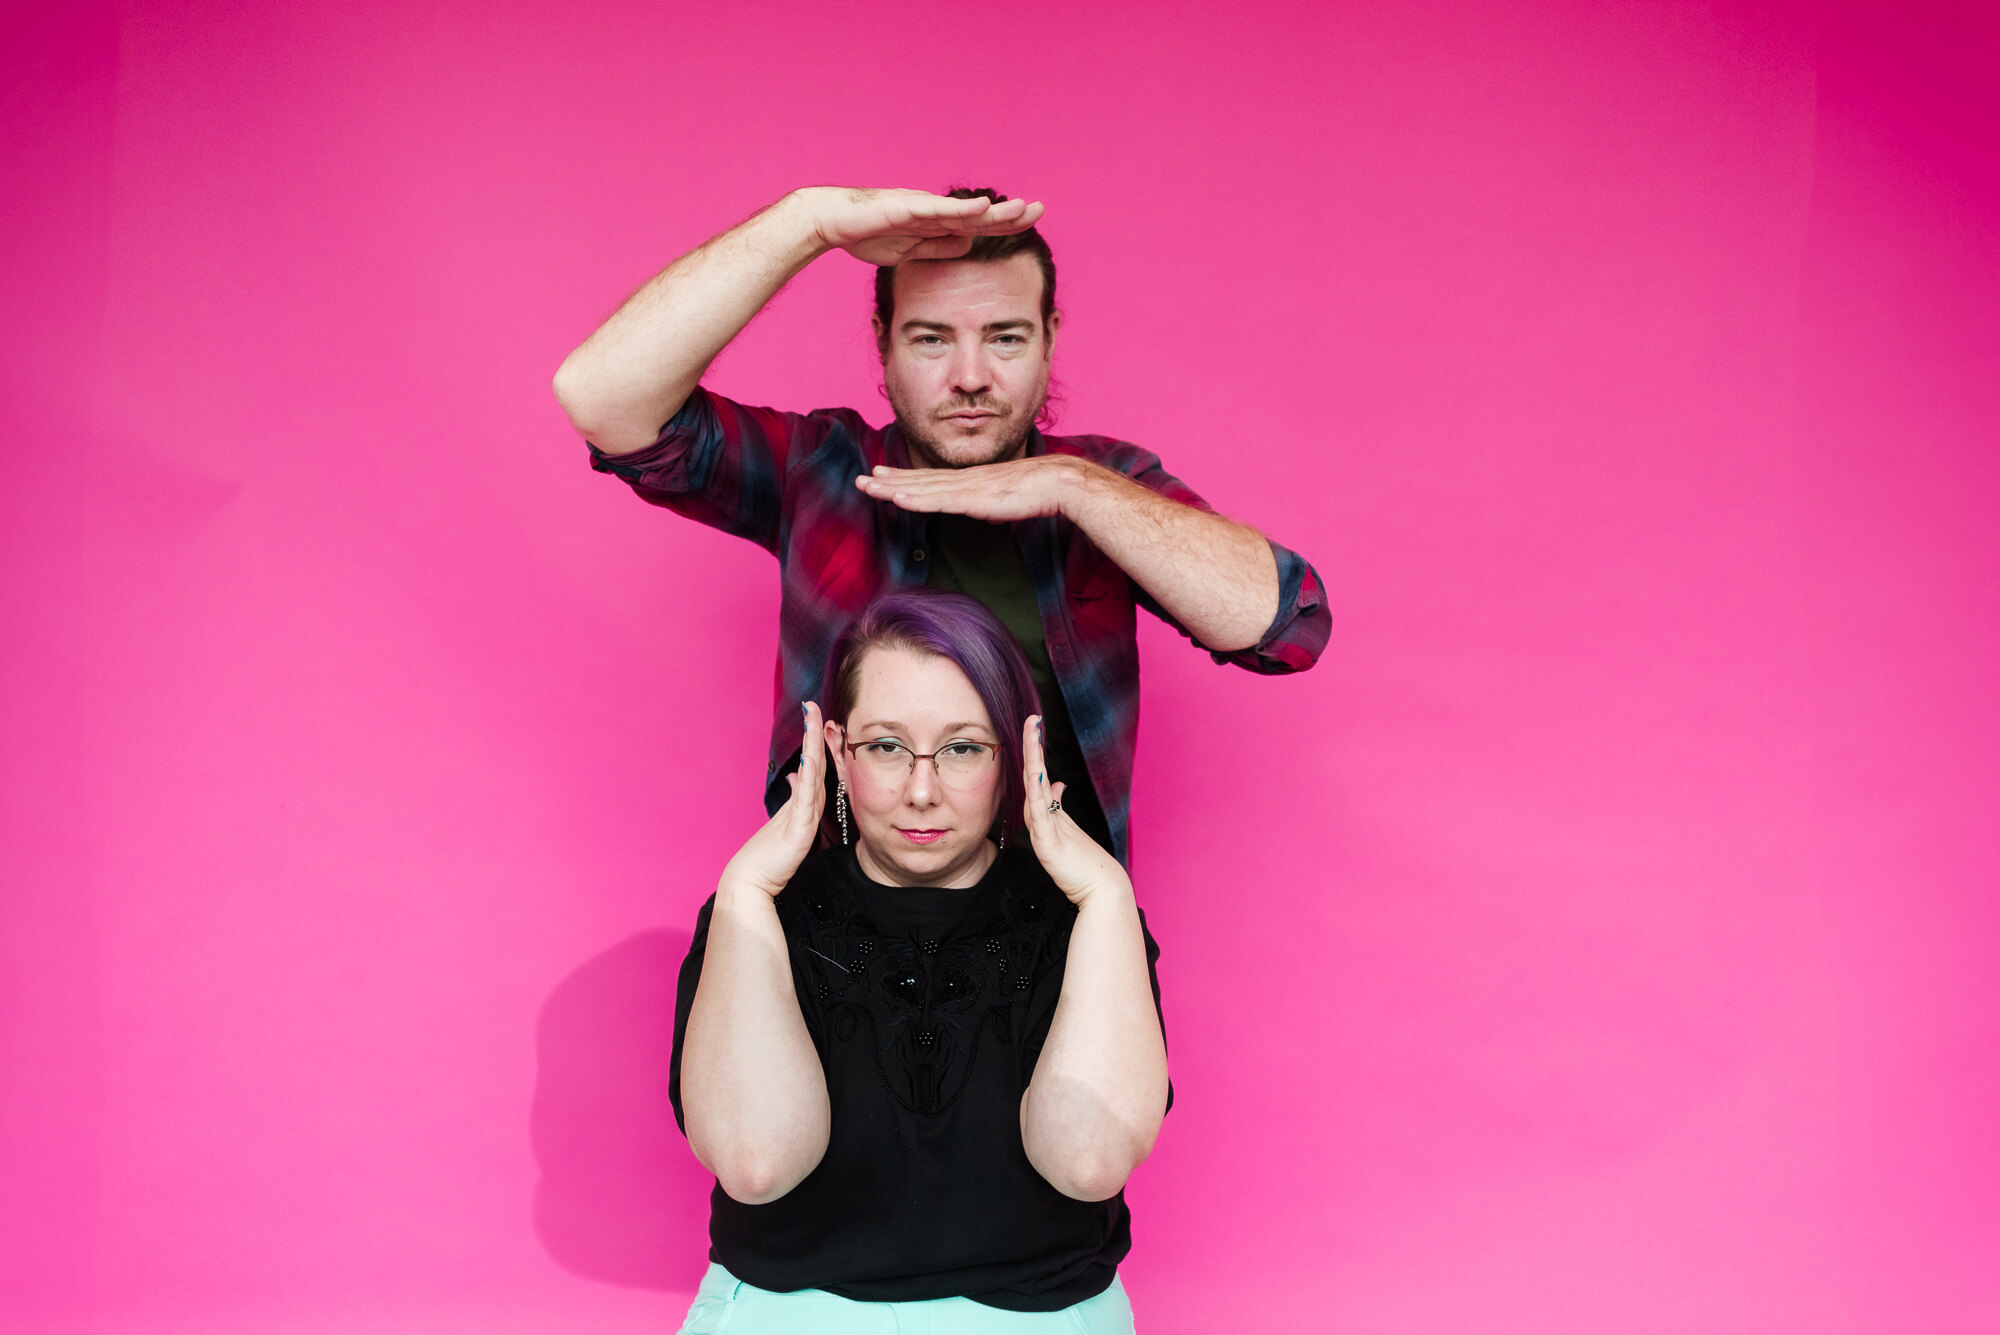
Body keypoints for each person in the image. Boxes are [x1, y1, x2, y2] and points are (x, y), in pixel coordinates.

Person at [553, 185, 1330, 865]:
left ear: (1050, 339)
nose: (969, 376)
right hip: (833, 952)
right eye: (931, 338)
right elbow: (603, 397)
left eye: (1005, 337)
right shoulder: (820, 469)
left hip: (1063, 958)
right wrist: (809, 222)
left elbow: (1286, 625)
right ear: (883, 347)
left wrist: (1073, 488)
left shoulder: (1104, 482)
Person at [669, 589, 1168, 1330]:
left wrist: (1104, 892)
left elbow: (1087, 1162)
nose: (922, 789)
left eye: (963, 747)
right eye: (886, 747)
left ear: (1015, 755)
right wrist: (745, 890)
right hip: (790, 1311)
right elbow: (756, 1162)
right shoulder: (760, 910)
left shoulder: (1088, 917)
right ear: (837, 751)